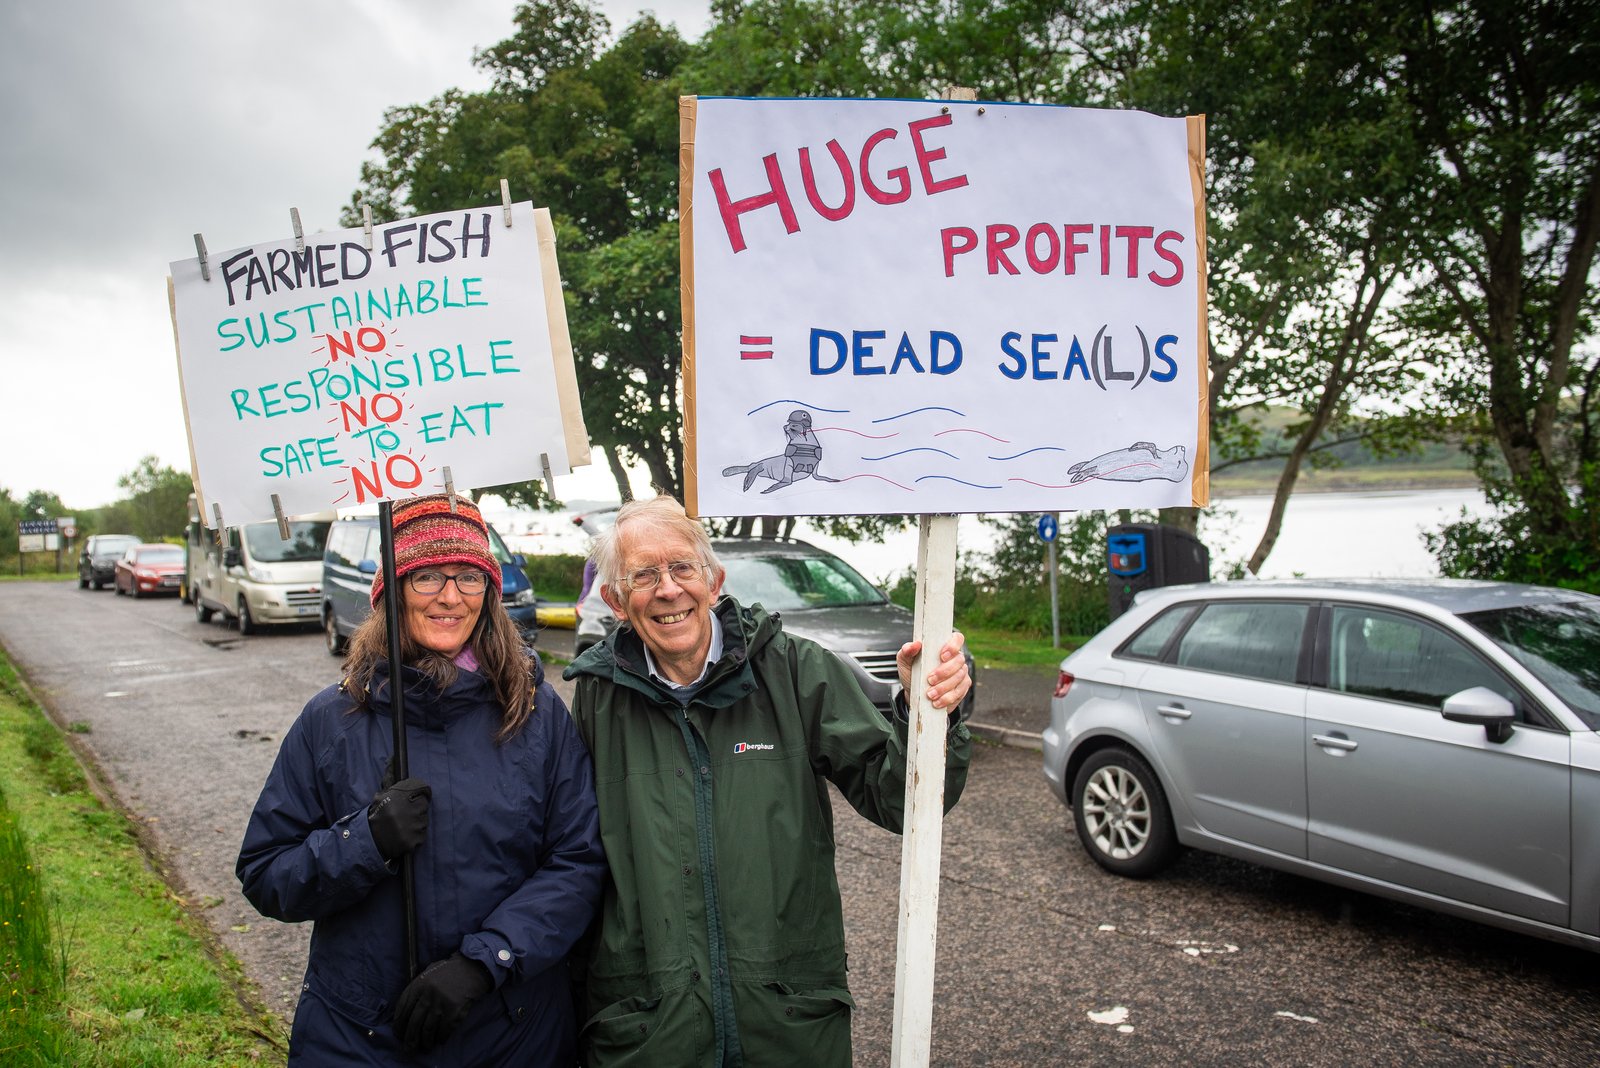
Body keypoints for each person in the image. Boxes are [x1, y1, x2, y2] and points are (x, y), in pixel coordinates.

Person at [563, 495, 973, 1066]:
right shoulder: (594, 701)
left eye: (683, 567)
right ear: (614, 598)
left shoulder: (795, 671)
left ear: (713, 579)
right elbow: (563, 859)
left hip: (787, 1022)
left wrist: (928, 714)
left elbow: (901, 800)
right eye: (644, 575)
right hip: (650, 1030)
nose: (668, 589)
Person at [238, 494, 606, 1065]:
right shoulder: (333, 719)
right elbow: (266, 873)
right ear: (390, 592)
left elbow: (578, 860)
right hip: (360, 1038)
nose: (450, 596)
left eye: (468, 576)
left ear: (490, 591)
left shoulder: (535, 711)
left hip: (511, 1032)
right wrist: (362, 842)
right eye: (427, 576)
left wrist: (487, 963)